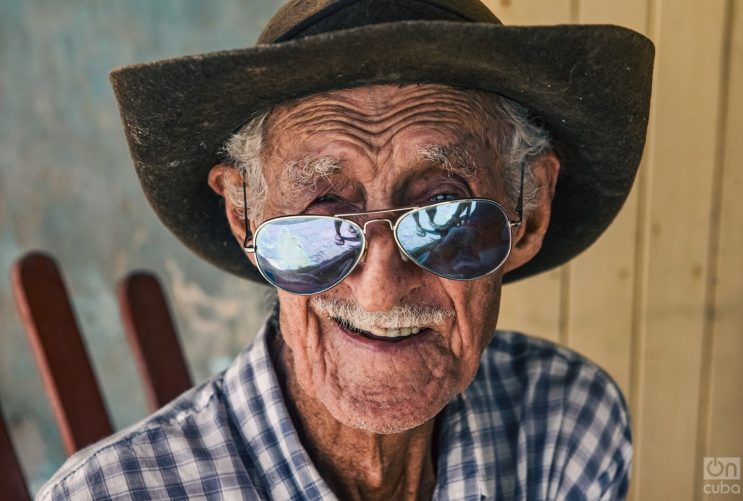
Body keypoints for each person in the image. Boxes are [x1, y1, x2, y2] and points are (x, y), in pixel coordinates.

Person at [37, 0, 654, 499]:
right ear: (243, 215)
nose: (380, 287)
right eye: (323, 207)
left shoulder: (571, 428)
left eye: (441, 208)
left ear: (530, 211)